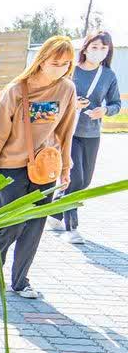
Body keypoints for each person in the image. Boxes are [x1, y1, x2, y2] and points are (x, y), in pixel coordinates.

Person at [0, 35, 78, 299]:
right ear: (42, 59)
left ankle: (21, 280)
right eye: (56, 62)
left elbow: (66, 131)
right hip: (12, 167)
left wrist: (66, 168)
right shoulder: (17, 89)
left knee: (35, 224)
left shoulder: (67, 90)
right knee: (12, 223)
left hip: (46, 166)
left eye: (66, 64)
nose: (60, 68)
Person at [54, 31, 121, 244]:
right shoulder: (70, 70)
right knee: (76, 178)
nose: (99, 52)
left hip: (92, 133)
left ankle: (54, 210)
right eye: (95, 47)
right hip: (69, 132)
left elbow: (116, 103)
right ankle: (71, 228)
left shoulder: (108, 75)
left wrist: (105, 111)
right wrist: (71, 105)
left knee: (85, 182)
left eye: (104, 48)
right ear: (85, 47)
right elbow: (54, 98)